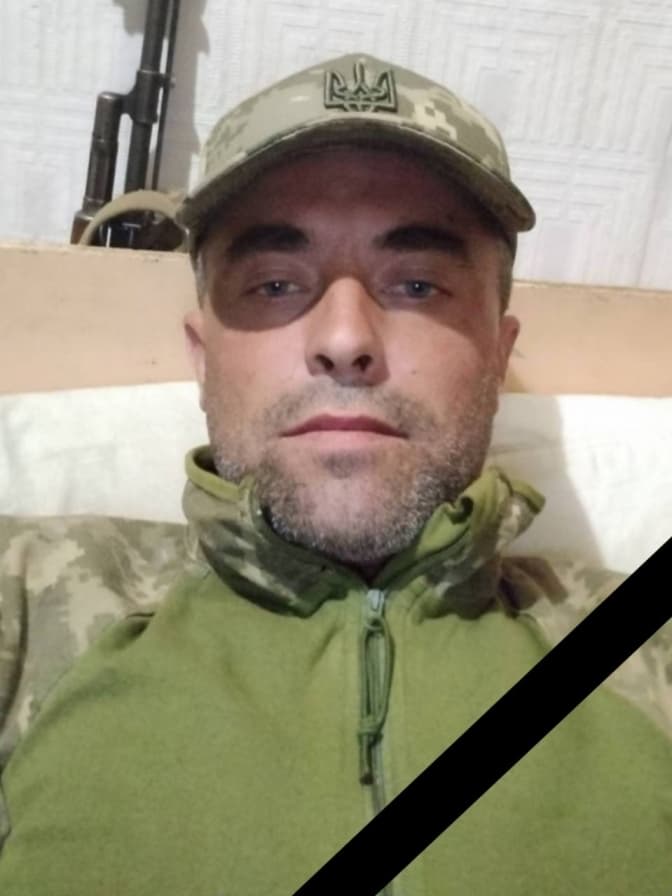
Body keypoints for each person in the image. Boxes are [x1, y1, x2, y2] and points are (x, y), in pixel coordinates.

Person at [0, 53, 670, 895]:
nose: (346, 339)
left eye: (418, 284)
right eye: (276, 284)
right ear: (203, 360)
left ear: (498, 356)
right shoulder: (28, 603)